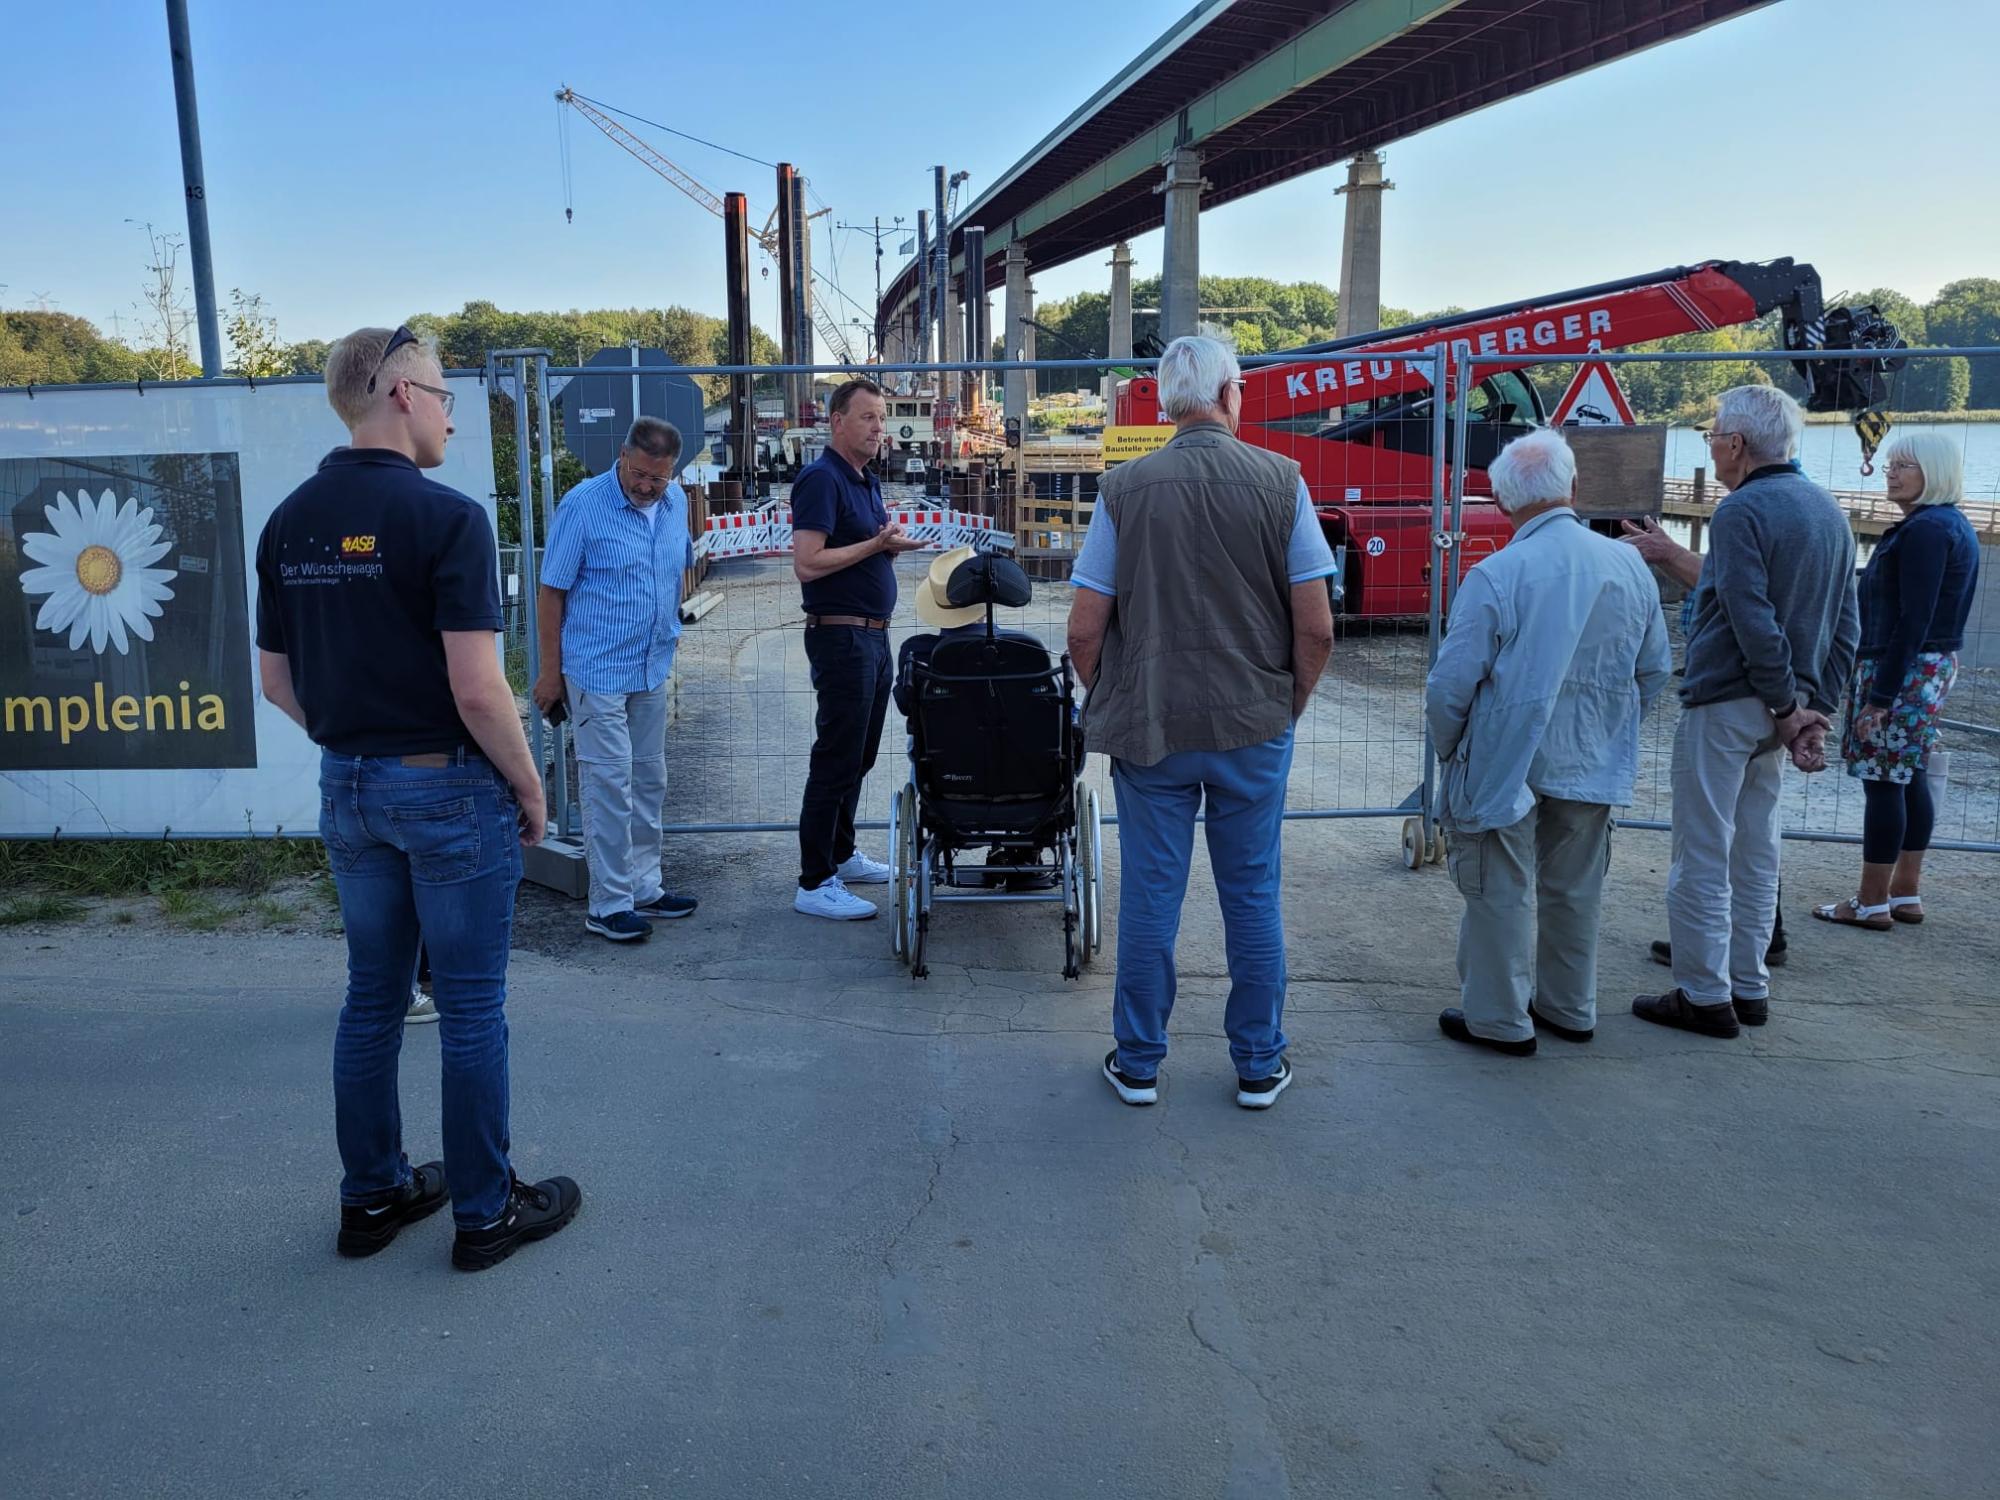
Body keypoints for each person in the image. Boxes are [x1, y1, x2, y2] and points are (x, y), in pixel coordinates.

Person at [255, 324, 580, 1272]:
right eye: (442, 394)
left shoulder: (288, 521)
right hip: (447, 788)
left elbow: (276, 682)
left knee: (372, 999)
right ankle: (484, 1213)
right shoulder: (447, 518)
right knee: (471, 1007)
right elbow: (478, 689)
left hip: (348, 785)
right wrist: (528, 784)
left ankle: (373, 1196)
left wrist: (356, 742)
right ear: (401, 394)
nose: (449, 414)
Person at [1067, 335, 1336, 1110]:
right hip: (1253, 724)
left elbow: (1083, 630)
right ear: (1230, 394)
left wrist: (1115, 695)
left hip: (1153, 728)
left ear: (1165, 403)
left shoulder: (1123, 489)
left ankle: (1139, 1063)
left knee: (1152, 897)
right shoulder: (1283, 481)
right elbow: (1316, 628)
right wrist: (1285, 705)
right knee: (1251, 894)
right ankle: (1258, 1062)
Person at [1424, 429, 1672, 1056]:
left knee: (1498, 885)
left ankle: (1499, 1018)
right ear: (1574, 487)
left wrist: (1453, 749)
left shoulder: (1497, 574)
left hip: (1507, 756)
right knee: (1576, 885)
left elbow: (1450, 685)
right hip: (1592, 751)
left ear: (1501, 501)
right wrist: (1612, 725)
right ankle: (1570, 1006)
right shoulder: (1629, 567)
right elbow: (1653, 670)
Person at [1633, 385, 1857, 1040]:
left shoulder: (1740, 512)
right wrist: (1813, 710)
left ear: (1735, 444)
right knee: (1757, 848)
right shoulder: (1828, 510)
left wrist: (1788, 706)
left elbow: (1748, 614)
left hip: (1732, 699)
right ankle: (1748, 985)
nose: (1711, 447)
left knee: (1703, 850)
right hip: (1787, 706)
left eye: (1712, 437)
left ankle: (1703, 994)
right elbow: (1846, 624)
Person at [533, 418, 700, 945]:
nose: (647, 486)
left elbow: (676, 570)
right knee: (609, 785)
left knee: (649, 779)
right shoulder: (584, 505)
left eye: (659, 478)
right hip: (595, 669)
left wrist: (670, 626)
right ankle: (609, 904)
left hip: (650, 666)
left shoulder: (676, 504)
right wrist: (549, 673)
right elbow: (551, 592)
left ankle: (645, 886)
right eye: (639, 474)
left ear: (674, 472)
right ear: (623, 456)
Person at [1812, 431, 1981, 929]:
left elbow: (1914, 618)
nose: (1891, 473)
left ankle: (1870, 902)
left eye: (1905, 465)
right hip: (1924, 667)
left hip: (1901, 668)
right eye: (1891, 464)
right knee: (1910, 776)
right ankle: (1904, 892)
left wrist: (1881, 696)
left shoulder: (1926, 530)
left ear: (1934, 471)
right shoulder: (1948, 524)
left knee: (1884, 780)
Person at [1620, 520, 1790, 969]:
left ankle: (1704, 980)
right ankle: (1749, 965)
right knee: (1752, 835)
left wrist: (1671, 555)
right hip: (1765, 696)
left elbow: (1741, 598)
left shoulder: (1746, 511)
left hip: (1732, 695)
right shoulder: (1799, 510)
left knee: (1710, 841)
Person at [791, 378, 926, 920]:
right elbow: (808, 562)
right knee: (836, 756)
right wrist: (875, 545)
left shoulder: (864, 480)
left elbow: (857, 551)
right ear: (837, 422)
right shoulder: (821, 479)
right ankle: (814, 880)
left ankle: (841, 855)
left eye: (882, 417)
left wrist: (886, 550)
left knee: (860, 755)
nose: (879, 428)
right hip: (842, 636)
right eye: (868, 417)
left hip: (871, 634)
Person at [895, 544, 1054, 890]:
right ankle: (1025, 852)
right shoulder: (1025, 650)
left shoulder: (916, 653)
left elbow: (907, 706)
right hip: (1029, 783)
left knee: (922, 738)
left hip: (949, 782)